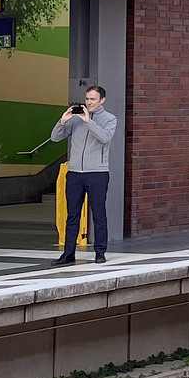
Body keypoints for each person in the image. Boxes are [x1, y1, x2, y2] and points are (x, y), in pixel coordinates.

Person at [50, 86, 118, 265]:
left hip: (97, 173)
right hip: (75, 174)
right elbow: (55, 137)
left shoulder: (110, 119)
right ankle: (68, 254)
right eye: (87, 99)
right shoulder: (76, 120)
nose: (88, 102)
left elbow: (104, 137)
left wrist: (89, 121)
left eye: (92, 99)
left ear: (102, 100)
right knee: (72, 215)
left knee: (98, 214)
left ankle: (100, 253)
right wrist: (63, 121)